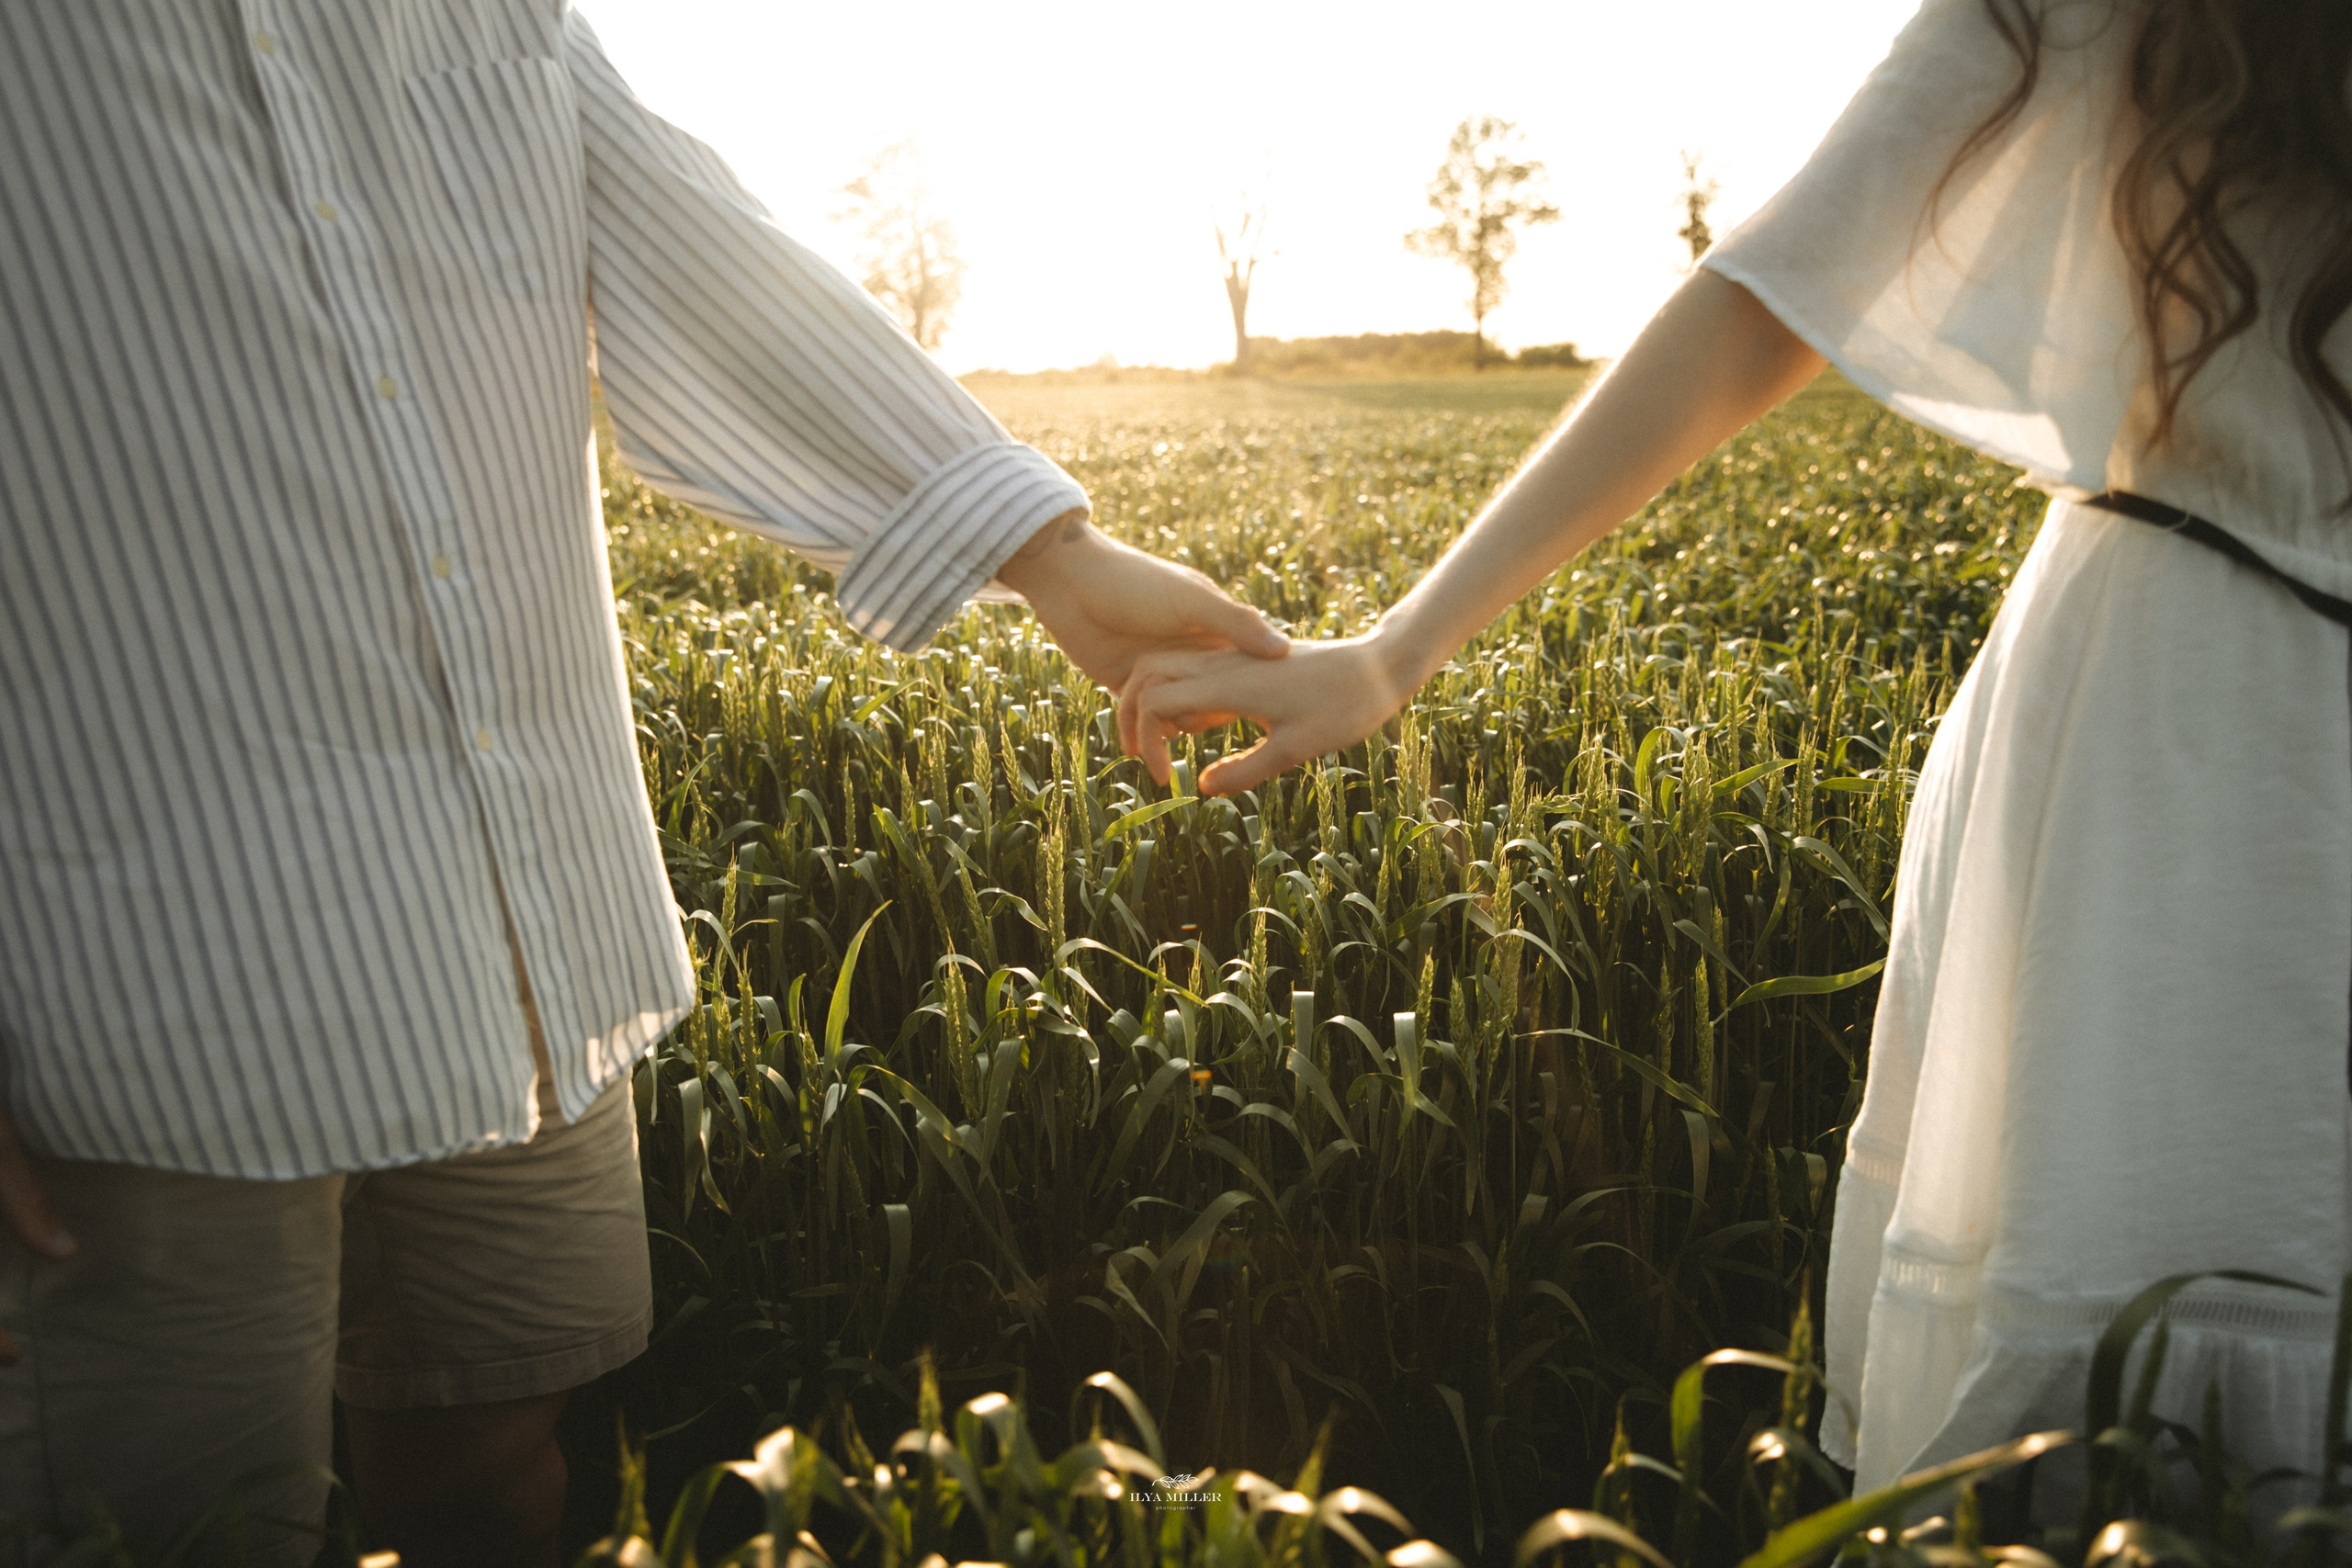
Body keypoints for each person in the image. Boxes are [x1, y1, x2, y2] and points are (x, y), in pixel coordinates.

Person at [0, 6, 1283, 1565]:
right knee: (176, 1519)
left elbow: (692, 241)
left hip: (518, 901)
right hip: (135, 959)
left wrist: (1053, 557)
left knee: (497, 1451)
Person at [1121, 0, 2352, 1498]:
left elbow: (1771, 285)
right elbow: (1777, 285)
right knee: (2155, 1326)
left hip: (2191, 691)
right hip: (2187, 746)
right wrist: (1395, 650)